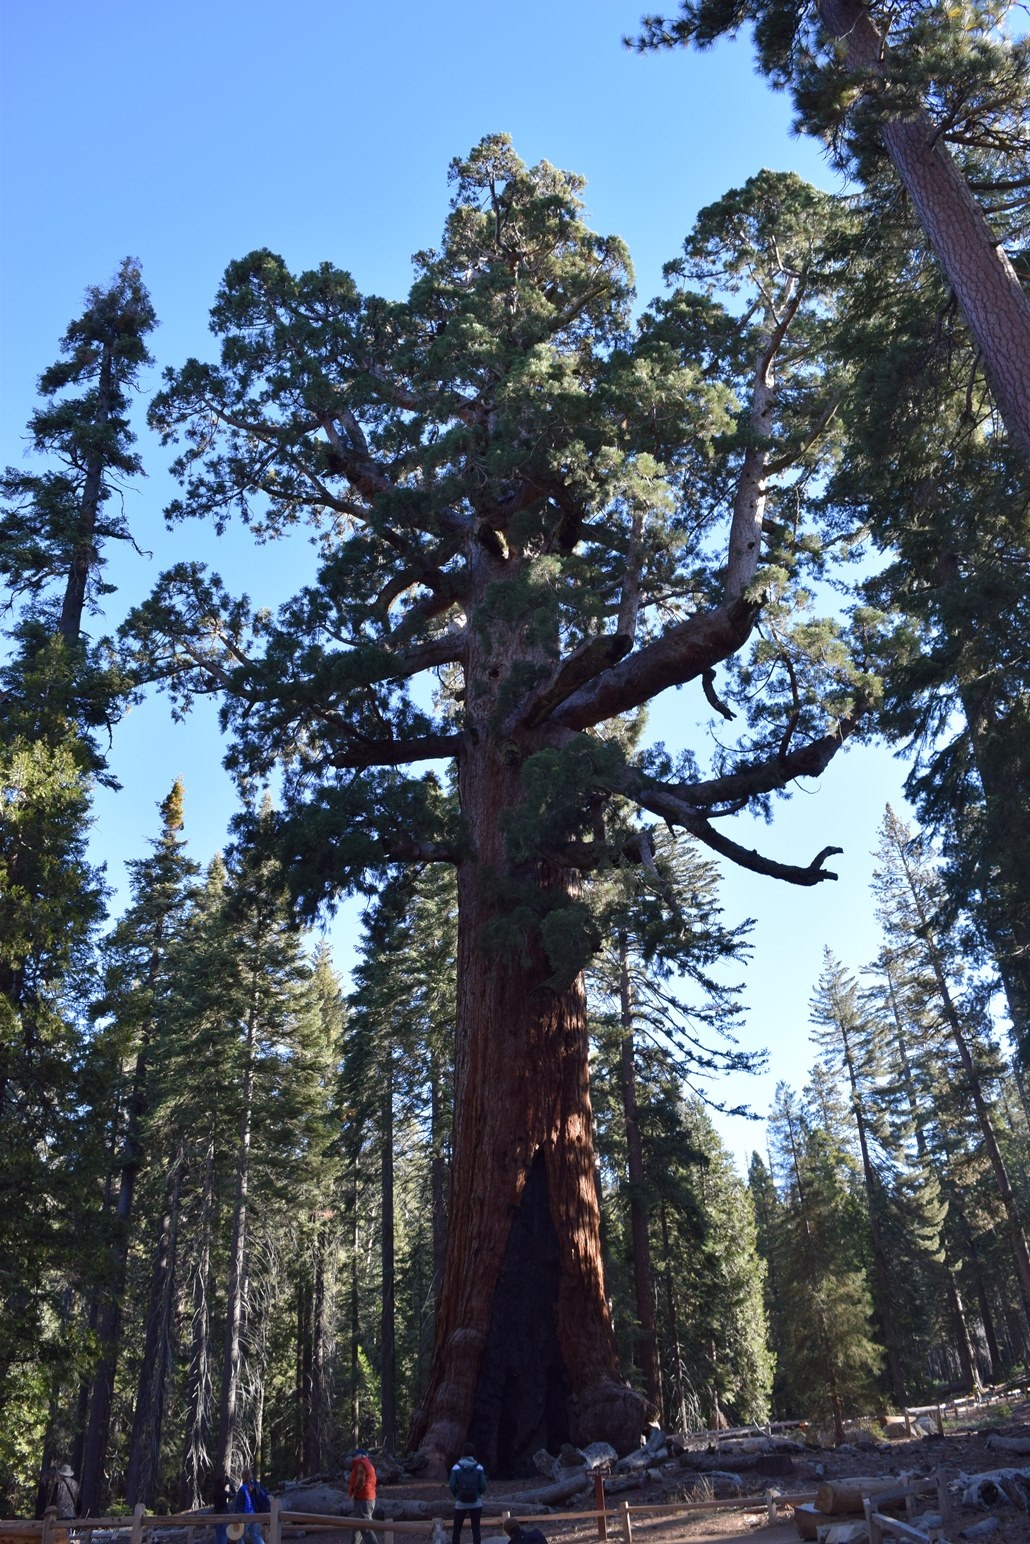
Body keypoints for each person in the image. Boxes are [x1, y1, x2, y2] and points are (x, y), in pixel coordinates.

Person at [449, 1446, 486, 1544]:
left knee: (457, 1529)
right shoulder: (479, 1467)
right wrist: (478, 1494)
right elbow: (483, 1485)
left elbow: (452, 1484)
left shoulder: (456, 1467)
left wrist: (456, 1495)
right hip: (476, 1503)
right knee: (476, 1529)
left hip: (460, 1503)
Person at [348, 1448, 379, 1544]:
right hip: (369, 1498)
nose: (354, 1457)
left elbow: (360, 1480)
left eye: (356, 1455)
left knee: (365, 1527)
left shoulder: (361, 1464)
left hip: (363, 1499)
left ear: (361, 1455)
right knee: (357, 1526)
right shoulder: (369, 1464)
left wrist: (354, 1493)